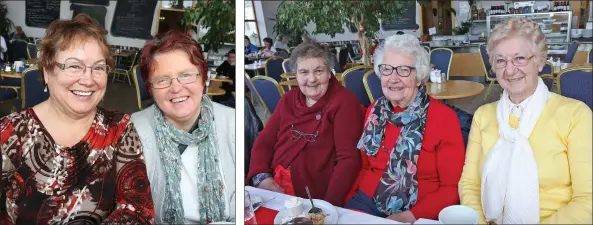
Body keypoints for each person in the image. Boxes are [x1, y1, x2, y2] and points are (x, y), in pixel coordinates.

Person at [0, 15, 155, 224]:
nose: (88, 80)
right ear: (47, 72)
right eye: (74, 66)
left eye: (99, 68)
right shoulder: (10, 132)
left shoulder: (119, 129)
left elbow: (138, 209)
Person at [459, 18, 592, 224]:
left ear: (539, 61)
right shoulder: (482, 116)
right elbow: (470, 185)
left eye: (519, 58)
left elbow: (587, 201)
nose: (510, 70)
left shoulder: (575, 115)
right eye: (501, 61)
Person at [344, 34, 465, 223]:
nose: (393, 78)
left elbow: (451, 188)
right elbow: (365, 168)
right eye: (387, 69)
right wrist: (348, 207)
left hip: (418, 210)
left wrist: (410, 216)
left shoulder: (443, 118)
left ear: (418, 77)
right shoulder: (374, 112)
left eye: (403, 70)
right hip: (366, 202)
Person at [131, 30, 236, 224]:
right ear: (150, 88)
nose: (176, 88)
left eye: (186, 75)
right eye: (162, 80)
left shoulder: (233, 123)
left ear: (203, 78)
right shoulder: (133, 131)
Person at [246, 41, 364, 207]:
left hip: (312, 195)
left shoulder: (344, 101)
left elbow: (348, 161)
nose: (312, 79)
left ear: (330, 73)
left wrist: (328, 207)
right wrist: (261, 177)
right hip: (272, 184)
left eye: (319, 71)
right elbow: (265, 140)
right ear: (296, 75)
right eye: (304, 72)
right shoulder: (289, 99)